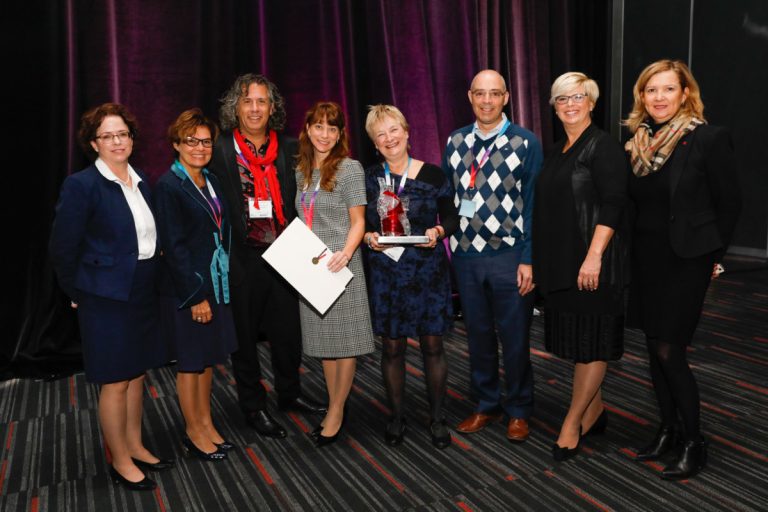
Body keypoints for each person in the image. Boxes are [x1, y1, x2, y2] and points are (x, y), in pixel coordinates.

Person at [624, 59, 741, 479]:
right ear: (642, 96)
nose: (658, 98)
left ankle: (695, 441)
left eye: (667, 89)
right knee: (653, 349)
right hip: (646, 259)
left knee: (670, 350)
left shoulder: (708, 139)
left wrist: (715, 255)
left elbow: (730, 203)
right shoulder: (635, 144)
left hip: (687, 260)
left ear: (685, 93)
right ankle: (668, 429)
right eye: (650, 90)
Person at [49, 103, 172, 491]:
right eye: (108, 136)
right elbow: (62, 248)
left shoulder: (141, 180)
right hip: (104, 296)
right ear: (93, 143)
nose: (118, 142)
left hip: (141, 290)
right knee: (115, 380)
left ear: (132, 139)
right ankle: (119, 458)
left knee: (137, 374)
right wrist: (76, 291)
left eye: (123, 134)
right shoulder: (81, 185)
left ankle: (134, 444)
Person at [209, 74, 326, 438]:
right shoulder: (219, 150)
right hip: (241, 256)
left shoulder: (293, 149)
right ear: (236, 108)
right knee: (244, 337)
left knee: (288, 333)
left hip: (286, 253)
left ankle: (290, 393)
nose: (255, 108)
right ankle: (253, 405)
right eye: (248, 102)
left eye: (262, 102)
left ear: (272, 108)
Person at [532, 72, 628, 461]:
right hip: (563, 263)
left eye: (577, 97)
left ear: (591, 102)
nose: (569, 105)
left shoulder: (603, 147)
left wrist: (594, 256)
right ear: (554, 107)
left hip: (594, 265)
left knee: (591, 345)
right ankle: (595, 410)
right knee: (579, 342)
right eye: (561, 99)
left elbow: (615, 203)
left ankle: (572, 422)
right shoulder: (558, 149)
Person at [442, 69, 542, 442]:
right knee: (478, 336)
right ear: (470, 96)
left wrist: (529, 258)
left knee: (515, 338)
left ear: (507, 97)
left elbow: (533, 206)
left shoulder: (525, 142)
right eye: (480, 94)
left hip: (510, 254)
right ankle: (486, 404)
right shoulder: (454, 142)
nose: (487, 101)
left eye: (494, 94)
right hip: (467, 256)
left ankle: (518, 409)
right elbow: (452, 201)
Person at [362, 105, 458, 449]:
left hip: (427, 270)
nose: (389, 139)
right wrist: (367, 237)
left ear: (407, 131)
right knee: (392, 348)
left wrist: (438, 230)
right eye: (380, 135)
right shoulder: (369, 178)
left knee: (433, 345)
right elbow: (362, 223)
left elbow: (452, 217)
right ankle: (397, 417)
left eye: (393, 130)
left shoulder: (433, 174)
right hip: (387, 271)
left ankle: (437, 418)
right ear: (375, 143)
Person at [154, 109, 238, 461]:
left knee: (207, 361)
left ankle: (205, 422)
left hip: (216, 285)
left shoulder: (212, 179)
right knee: (190, 364)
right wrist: (195, 297)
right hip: (190, 290)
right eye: (192, 141)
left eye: (206, 141)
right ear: (176, 144)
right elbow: (173, 248)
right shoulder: (169, 186)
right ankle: (192, 432)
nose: (200, 148)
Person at [295, 101, 376, 447]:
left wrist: (346, 252)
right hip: (311, 266)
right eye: (319, 127)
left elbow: (359, 220)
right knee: (326, 346)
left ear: (340, 133)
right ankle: (334, 404)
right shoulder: (301, 171)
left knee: (346, 346)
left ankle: (336, 411)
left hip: (342, 263)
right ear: (308, 129)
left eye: (332, 128)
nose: (324, 134)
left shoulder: (350, 169)